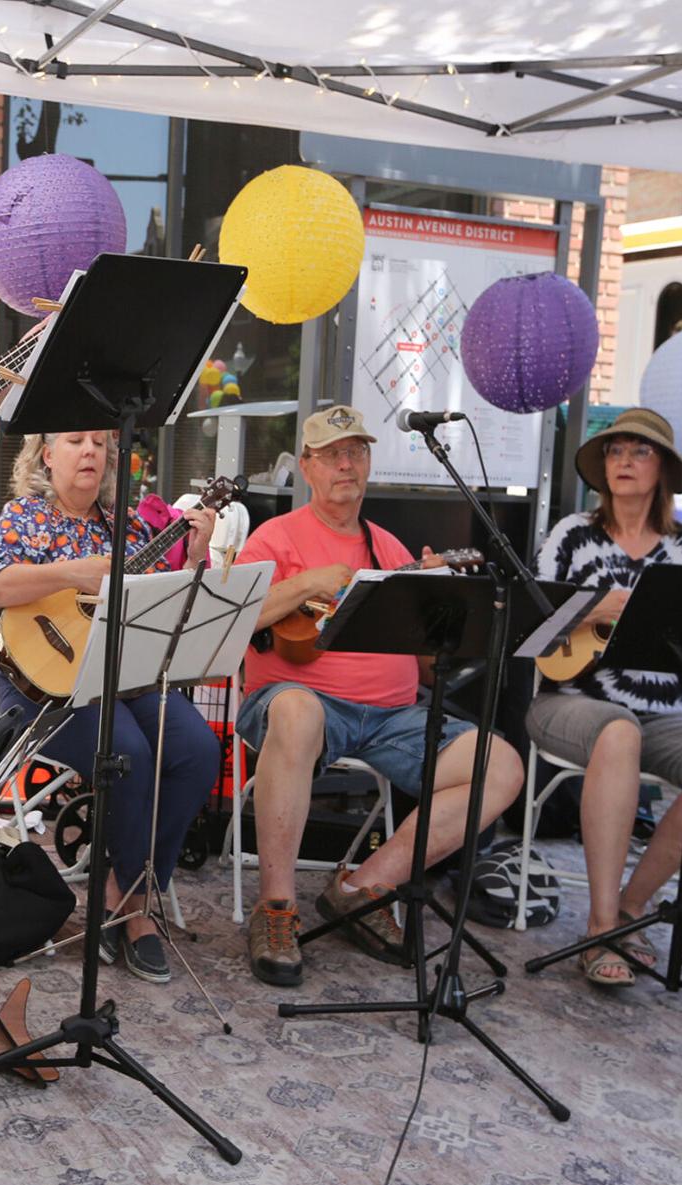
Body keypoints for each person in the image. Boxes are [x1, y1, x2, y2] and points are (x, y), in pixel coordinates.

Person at [234, 404, 523, 988]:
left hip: (393, 715)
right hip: (299, 701)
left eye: (357, 452)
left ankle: (362, 886)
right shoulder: (276, 537)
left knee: (502, 764)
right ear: (308, 468)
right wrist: (309, 582)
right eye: (333, 454)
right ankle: (277, 908)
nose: (346, 464)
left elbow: (420, 665)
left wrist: (436, 608)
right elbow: (234, 619)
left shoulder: (389, 548)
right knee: (296, 709)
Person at [0, 431, 219, 981]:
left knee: (197, 750)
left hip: (121, 676)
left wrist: (195, 557)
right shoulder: (23, 516)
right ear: (46, 455)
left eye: (101, 444)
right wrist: (71, 573)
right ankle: (140, 915)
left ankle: (121, 891)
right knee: (125, 750)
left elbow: (168, 614)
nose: (90, 452)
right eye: (75, 441)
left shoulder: (123, 526)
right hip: (41, 684)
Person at [528, 408, 682, 986]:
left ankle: (630, 906)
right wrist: (589, 607)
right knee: (617, 733)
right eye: (615, 451)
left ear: (664, 470)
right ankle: (599, 927)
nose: (624, 461)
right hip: (569, 702)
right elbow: (530, 626)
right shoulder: (571, 535)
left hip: (665, 713)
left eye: (640, 451)